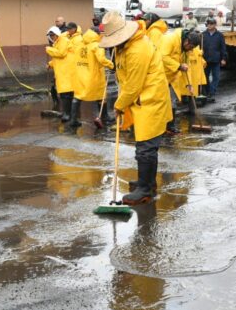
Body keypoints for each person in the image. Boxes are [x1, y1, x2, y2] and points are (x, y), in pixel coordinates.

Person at [99, 12, 172, 205]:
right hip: (142, 101)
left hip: (150, 101)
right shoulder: (127, 46)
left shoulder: (137, 50)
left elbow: (132, 85)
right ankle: (146, 182)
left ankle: (145, 189)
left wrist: (118, 105)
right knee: (146, 146)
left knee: (146, 148)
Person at [160, 28, 202, 133]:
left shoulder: (185, 49)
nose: (190, 49)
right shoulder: (171, 39)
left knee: (172, 101)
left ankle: (170, 126)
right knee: (161, 102)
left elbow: (186, 67)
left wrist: (189, 84)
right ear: (187, 41)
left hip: (172, 76)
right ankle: (161, 126)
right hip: (159, 75)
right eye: (191, 47)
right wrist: (178, 66)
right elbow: (162, 57)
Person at [72, 27, 114, 127]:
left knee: (78, 96)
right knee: (101, 95)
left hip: (80, 75)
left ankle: (73, 120)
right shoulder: (97, 45)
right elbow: (102, 59)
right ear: (97, 34)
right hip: (94, 75)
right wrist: (112, 65)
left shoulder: (80, 44)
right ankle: (105, 117)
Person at [45, 25, 76, 122]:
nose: (52, 37)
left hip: (66, 71)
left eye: (53, 35)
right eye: (51, 35)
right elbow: (58, 57)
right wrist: (51, 64)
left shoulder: (63, 41)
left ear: (57, 34)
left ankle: (68, 114)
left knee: (66, 93)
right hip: (63, 71)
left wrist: (49, 49)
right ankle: (68, 113)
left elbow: (61, 53)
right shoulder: (58, 42)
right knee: (65, 93)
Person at [202, 18, 227, 99]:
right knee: (205, 77)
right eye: (208, 24)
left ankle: (211, 92)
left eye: (211, 24)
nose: (209, 25)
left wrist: (223, 58)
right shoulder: (203, 35)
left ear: (215, 25)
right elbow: (200, 47)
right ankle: (208, 91)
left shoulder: (220, 35)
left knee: (216, 77)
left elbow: (223, 47)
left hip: (216, 60)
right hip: (205, 60)